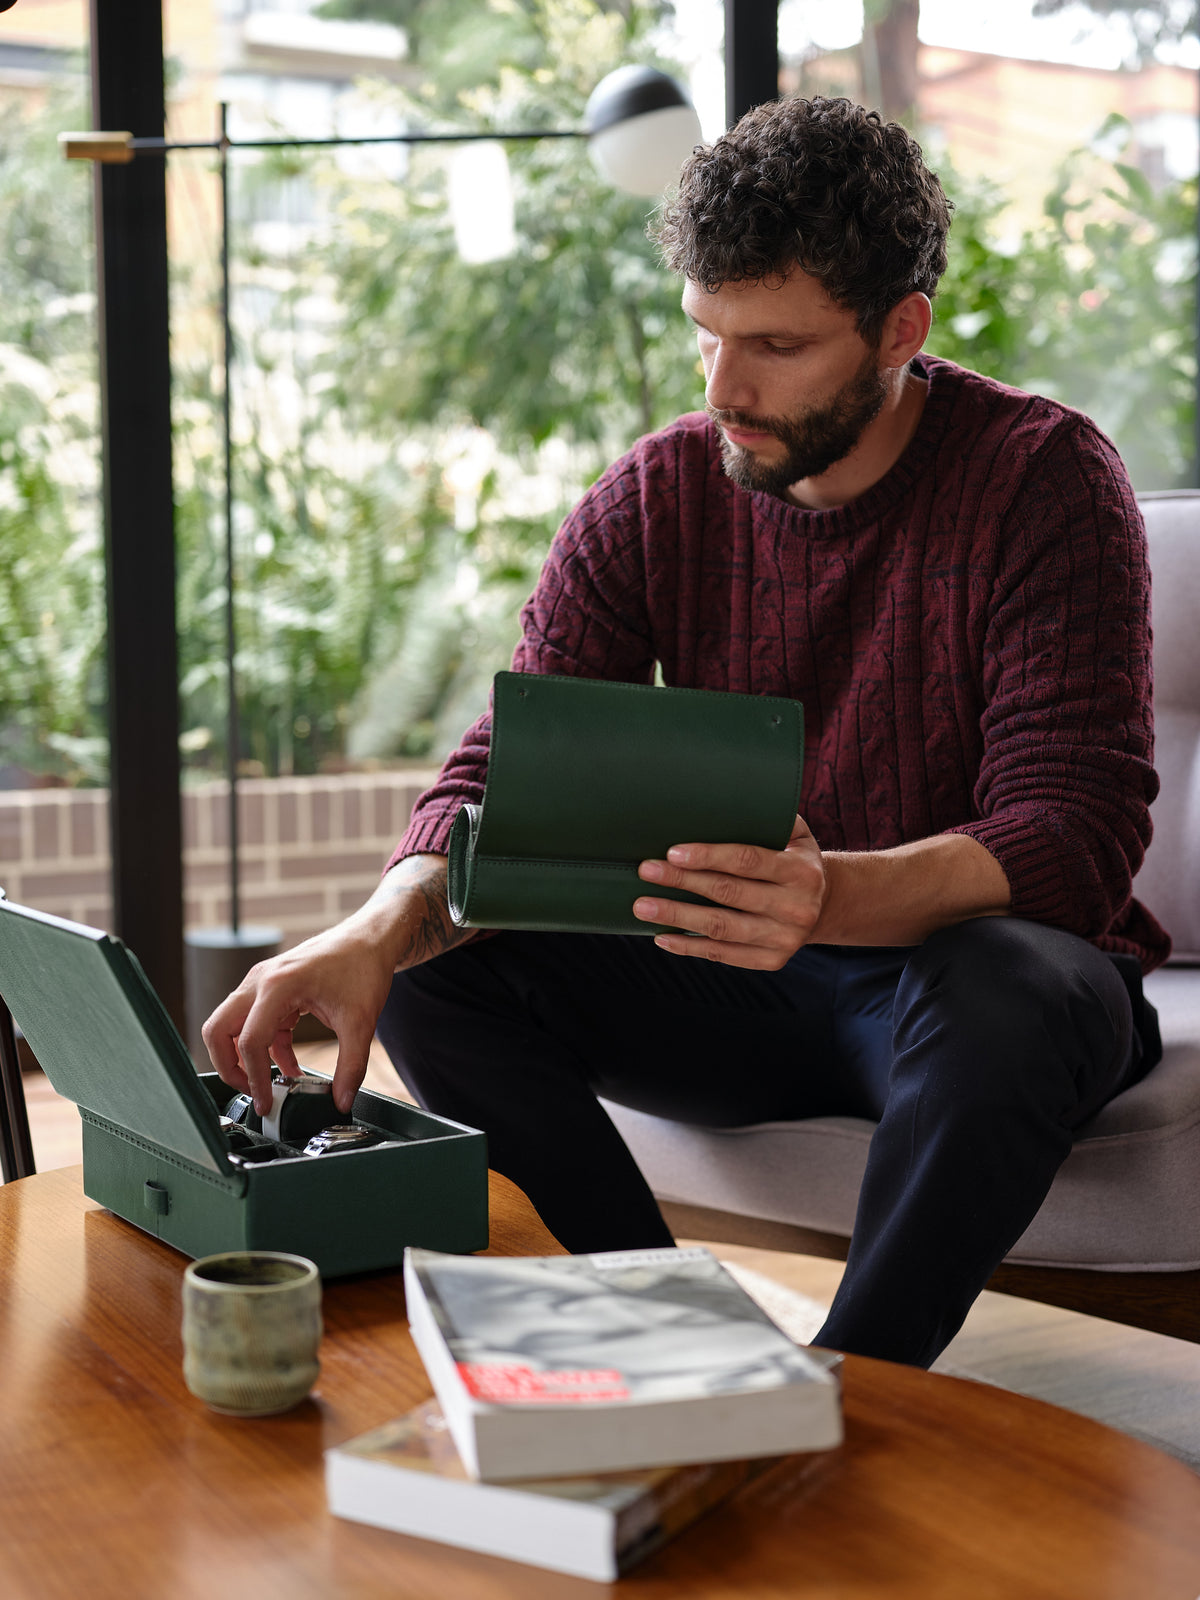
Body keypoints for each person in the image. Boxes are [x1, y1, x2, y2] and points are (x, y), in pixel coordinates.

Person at [204, 96, 1168, 1369]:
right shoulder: (659, 492)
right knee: (438, 958)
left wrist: (824, 899)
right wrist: (377, 924)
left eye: (775, 344)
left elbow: (1073, 834)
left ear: (900, 330)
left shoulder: (1045, 479)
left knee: (1011, 982)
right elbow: (506, 765)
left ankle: (853, 1390)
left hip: (958, 994)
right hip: (736, 985)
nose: (725, 387)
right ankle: (675, 1344)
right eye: (706, 335)